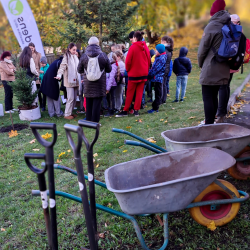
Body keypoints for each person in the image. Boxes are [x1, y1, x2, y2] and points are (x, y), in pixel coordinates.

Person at [198, 0, 231, 125]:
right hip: (224, 67)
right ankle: (214, 125)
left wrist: (201, 64)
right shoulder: (228, 24)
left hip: (211, 67)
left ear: (214, 11)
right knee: (214, 96)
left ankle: (209, 126)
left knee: (207, 97)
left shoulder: (212, 26)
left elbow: (202, 50)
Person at [116, 31, 150, 117]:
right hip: (143, 73)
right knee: (139, 92)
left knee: (130, 92)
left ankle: (126, 110)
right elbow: (148, 60)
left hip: (134, 74)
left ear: (135, 38)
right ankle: (136, 110)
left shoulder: (133, 47)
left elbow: (128, 61)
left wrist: (128, 70)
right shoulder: (145, 46)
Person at [77, 36, 112, 123]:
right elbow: (109, 69)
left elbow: (79, 69)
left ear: (88, 44)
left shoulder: (84, 56)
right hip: (99, 83)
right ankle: (95, 121)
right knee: (97, 102)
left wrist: (86, 71)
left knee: (88, 100)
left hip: (88, 83)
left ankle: (88, 120)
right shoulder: (103, 55)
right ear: (98, 44)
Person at [216, 14, 242, 123]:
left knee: (222, 86)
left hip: (224, 62)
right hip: (233, 63)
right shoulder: (239, 33)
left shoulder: (226, 30)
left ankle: (221, 113)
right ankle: (223, 111)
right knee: (226, 86)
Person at [55, 42, 79, 120]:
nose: (75, 51)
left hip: (76, 81)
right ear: (69, 49)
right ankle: (67, 114)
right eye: (73, 50)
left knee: (75, 98)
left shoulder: (75, 57)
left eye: (75, 50)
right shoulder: (66, 57)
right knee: (70, 98)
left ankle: (71, 112)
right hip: (69, 81)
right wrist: (59, 75)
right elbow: (62, 67)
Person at [147, 44, 168, 114]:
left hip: (159, 78)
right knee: (156, 92)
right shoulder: (159, 57)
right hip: (156, 77)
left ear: (159, 51)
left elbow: (156, 69)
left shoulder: (161, 58)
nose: (155, 51)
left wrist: (149, 74)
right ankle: (155, 106)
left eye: (156, 50)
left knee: (158, 93)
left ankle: (155, 108)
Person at [29, 42, 42, 107]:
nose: (31, 49)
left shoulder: (38, 54)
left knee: (39, 90)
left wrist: (39, 72)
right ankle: (35, 104)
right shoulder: (28, 56)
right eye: (30, 48)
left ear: (34, 48)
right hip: (31, 74)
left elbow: (40, 64)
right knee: (33, 91)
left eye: (32, 48)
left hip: (37, 72)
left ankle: (42, 104)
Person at [161, 36, 174, 103]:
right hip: (167, 68)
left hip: (164, 68)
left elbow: (163, 59)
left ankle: (162, 98)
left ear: (164, 41)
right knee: (164, 84)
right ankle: (164, 98)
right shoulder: (169, 49)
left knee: (162, 84)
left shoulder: (165, 50)